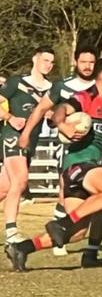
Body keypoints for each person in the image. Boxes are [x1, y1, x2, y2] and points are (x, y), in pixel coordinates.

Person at [5, 58, 102, 271]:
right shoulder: (86, 97)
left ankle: (22, 248)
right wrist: (62, 126)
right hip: (78, 164)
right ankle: (61, 223)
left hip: (89, 167)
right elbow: (61, 109)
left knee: (77, 233)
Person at [18, 45, 98, 255]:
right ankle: (59, 231)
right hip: (68, 148)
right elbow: (41, 109)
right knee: (65, 192)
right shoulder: (63, 87)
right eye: (83, 62)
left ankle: (92, 238)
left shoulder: (100, 86)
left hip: (97, 148)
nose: (88, 66)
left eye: (91, 62)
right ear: (75, 62)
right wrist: (26, 134)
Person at [0, 46, 54, 244]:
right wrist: (10, 117)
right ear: (35, 59)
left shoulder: (52, 89)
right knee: (21, 181)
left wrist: (52, 117)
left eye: (51, 62)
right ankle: (12, 234)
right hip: (12, 137)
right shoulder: (17, 82)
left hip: (31, 142)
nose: (48, 65)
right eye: (45, 60)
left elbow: (53, 117)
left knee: (5, 188)